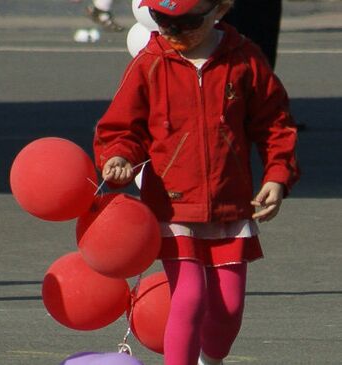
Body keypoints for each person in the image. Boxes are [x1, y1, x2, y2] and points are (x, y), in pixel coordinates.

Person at [92, 0, 300, 364]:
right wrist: (119, 157)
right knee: (189, 298)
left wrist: (277, 176)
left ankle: (210, 359)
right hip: (172, 204)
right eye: (161, 19)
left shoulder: (244, 59)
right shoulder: (150, 61)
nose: (173, 31)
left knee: (229, 309)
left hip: (229, 204)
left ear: (219, 10)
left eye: (187, 21)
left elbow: (274, 124)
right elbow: (123, 126)